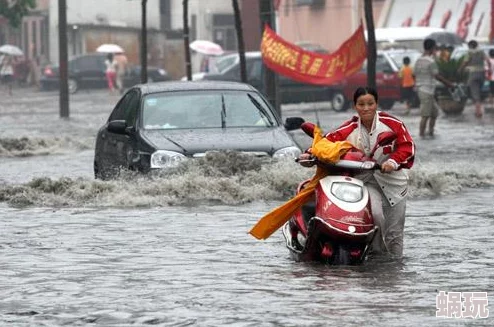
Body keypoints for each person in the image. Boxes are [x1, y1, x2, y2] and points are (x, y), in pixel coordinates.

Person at [298, 86, 415, 258]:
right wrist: (309, 154)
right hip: (366, 181)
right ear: (355, 106)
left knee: (395, 233)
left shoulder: (393, 124)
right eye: (361, 104)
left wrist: (392, 161)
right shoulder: (349, 127)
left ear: (377, 104)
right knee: (375, 217)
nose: (366, 108)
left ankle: (395, 272)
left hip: (394, 183)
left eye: (370, 103)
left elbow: (407, 147)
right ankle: (377, 258)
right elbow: (326, 143)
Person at [414, 38, 454, 138]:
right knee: (425, 115)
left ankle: (430, 132)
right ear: (432, 48)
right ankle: (421, 135)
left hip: (423, 89)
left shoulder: (418, 60)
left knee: (434, 112)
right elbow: (437, 75)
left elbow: (414, 74)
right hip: (426, 90)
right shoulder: (431, 61)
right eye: (435, 48)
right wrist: (448, 83)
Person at [459, 40, 491, 118]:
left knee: (475, 93)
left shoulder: (469, 53)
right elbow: (488, 61)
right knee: (478, 92)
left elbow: (465, 62)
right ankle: (478, 110)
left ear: (469, 46)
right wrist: (489, 69)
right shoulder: (481, 52)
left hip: (473, 74)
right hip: (482, 74)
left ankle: (478, 112)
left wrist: (460, 70)